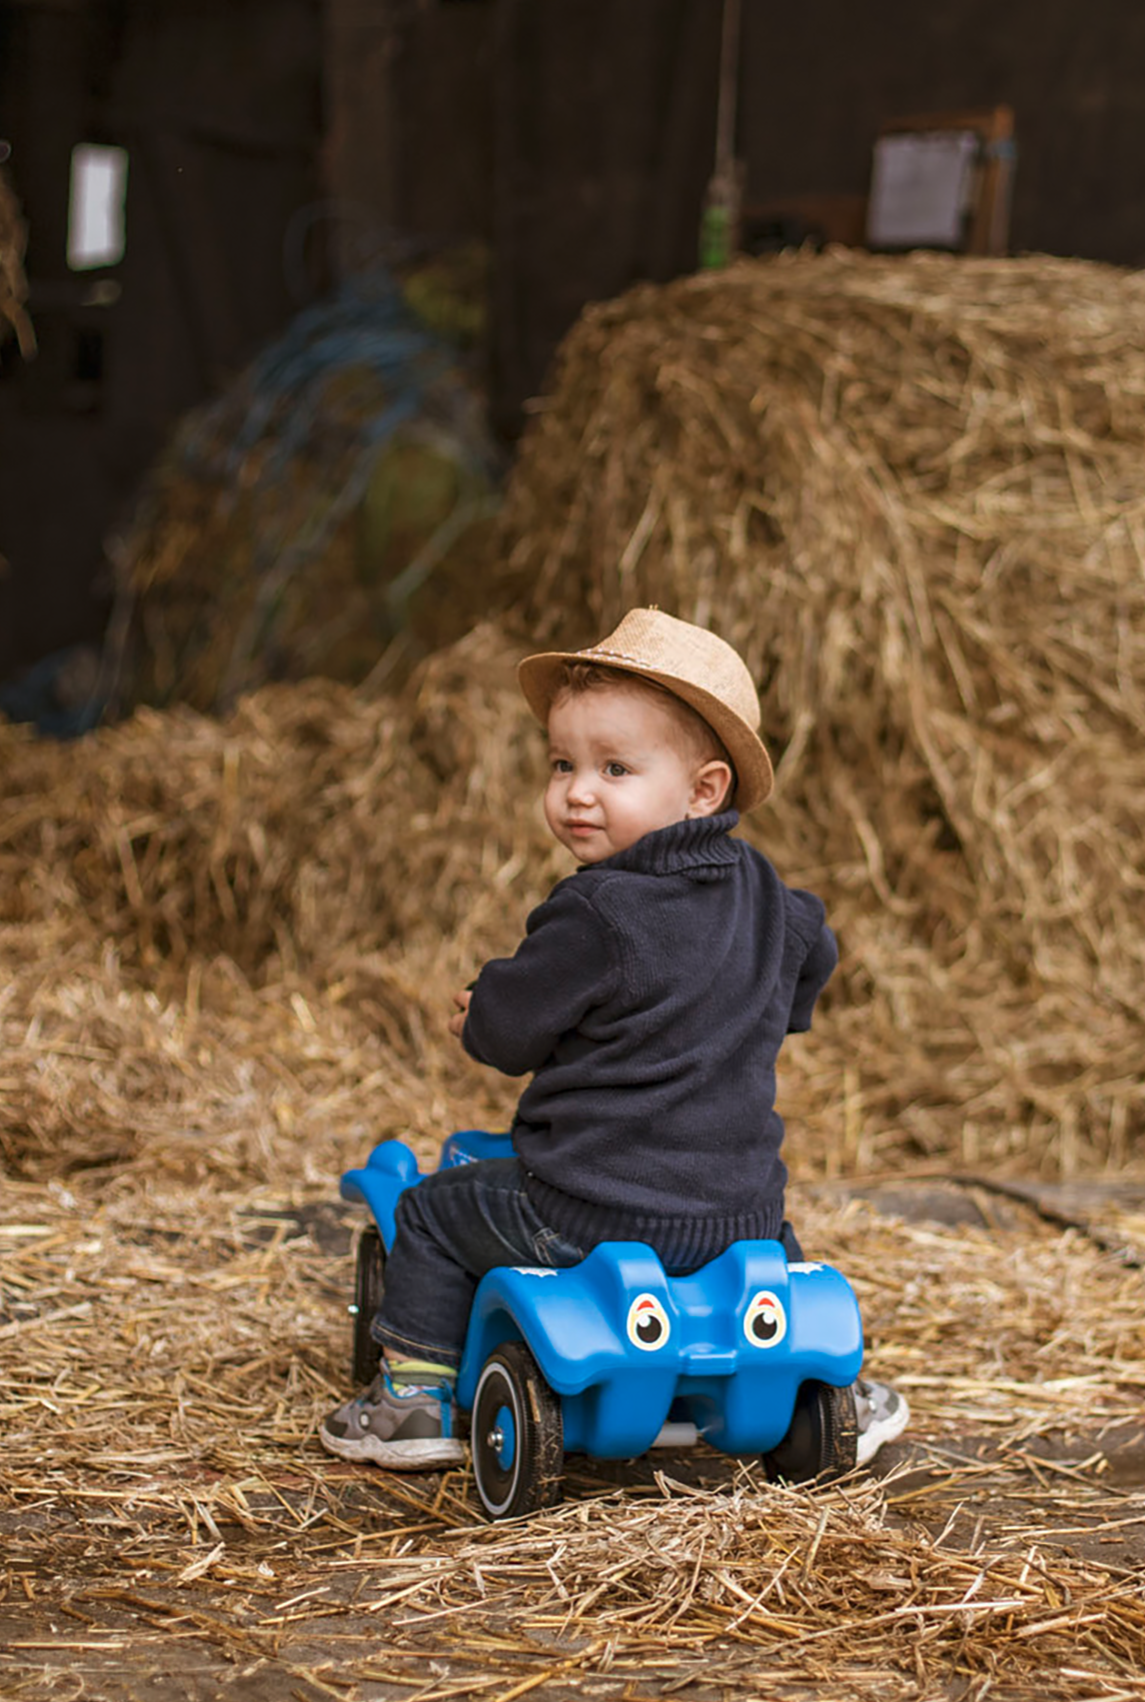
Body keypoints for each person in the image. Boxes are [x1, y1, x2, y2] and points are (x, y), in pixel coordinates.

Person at [321, 607, 909, 1474]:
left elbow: (513, 1032)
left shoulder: (596, 912)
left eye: (615, 768)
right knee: (779, 1268)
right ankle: (834, 1389)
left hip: (586, 1210)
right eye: (562, 764)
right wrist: (757, 1013)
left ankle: (409, 1399)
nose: (577, 792)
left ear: (703, 791)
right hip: (740, 1216)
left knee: (432, 1213)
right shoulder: (771, 897)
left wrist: (479, 1013)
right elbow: (814, 951)